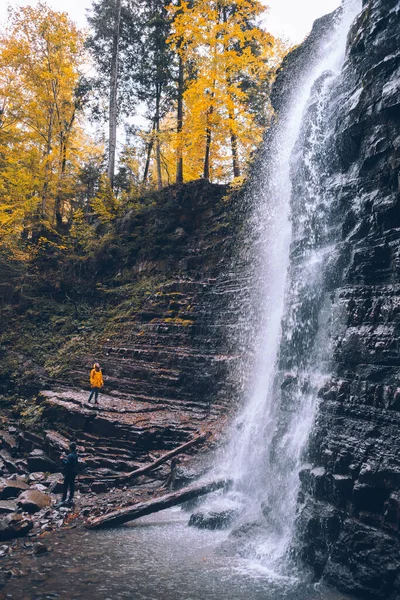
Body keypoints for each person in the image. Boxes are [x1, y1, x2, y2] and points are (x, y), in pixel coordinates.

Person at [58, 442, 79, 507]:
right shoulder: (75, 454)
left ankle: (63, 499)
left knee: (65, 485)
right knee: (72, 485)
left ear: (70, 448)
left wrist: (62, 459)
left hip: (69, 472)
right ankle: (70, 498)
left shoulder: (70, 456)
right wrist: (65, 458)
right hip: (74, 472)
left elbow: (67, 464)